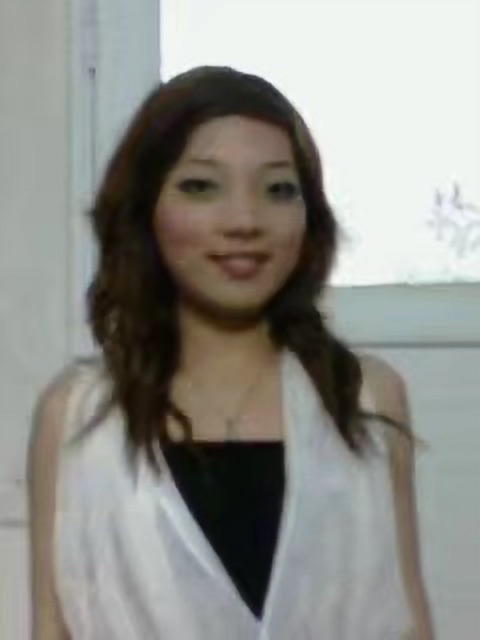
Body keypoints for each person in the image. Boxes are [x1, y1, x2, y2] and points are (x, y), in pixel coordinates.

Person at [27, 65, 434, 639]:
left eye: (278, 189)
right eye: (201, 186)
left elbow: (405, 619)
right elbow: (52, 627)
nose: (244, 221)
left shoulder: (364, 397)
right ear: (145, 208)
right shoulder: (77, 416)